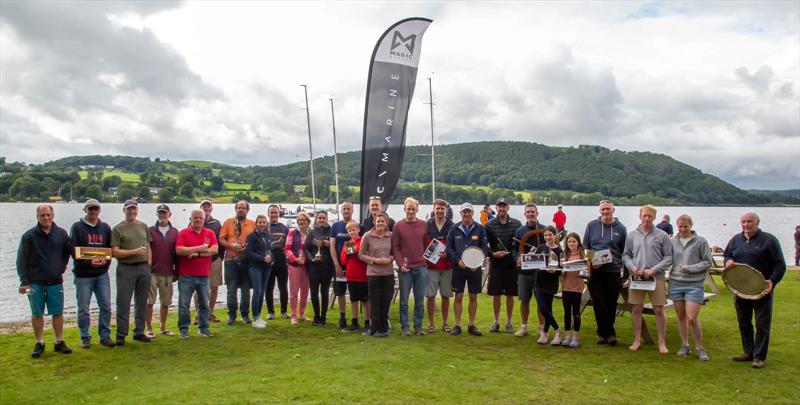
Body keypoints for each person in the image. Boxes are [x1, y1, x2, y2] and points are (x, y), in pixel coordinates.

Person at [724, 212, 786, 369]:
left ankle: (759, 357)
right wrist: (728, 261)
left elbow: (780, 264)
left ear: (757, 222)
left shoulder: (769, 240)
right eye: (743, 222)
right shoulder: (736, 240)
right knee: (743, 322)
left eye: (750, 221)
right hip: (741, 288)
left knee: (762, 324)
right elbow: (727, 255)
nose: (746, 224)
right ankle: (749, 352)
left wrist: (772, 281)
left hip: (762, 289)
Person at [17, 204, 73, 358]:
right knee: (37, 313)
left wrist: (61, 268)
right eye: (42, 215)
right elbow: (21, 260)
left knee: (58, 312)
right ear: (37, 217)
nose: (46, 218)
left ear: (53, 215)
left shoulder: (61, 234)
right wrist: (24, 281)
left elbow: (66, 253)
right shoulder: (29, 236)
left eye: (48, 214)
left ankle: (59, 341)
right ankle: (39, 342)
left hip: (55, 281)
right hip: (35, 282)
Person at [623, 204, 673, 353]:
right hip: (637, 278)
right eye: (644, 215)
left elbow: (669, 257)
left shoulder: (662, 235)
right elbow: (626, 255)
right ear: (640, 216)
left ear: (654, 217)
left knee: (658, 309)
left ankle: (662, 343)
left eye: (649, 216)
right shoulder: (632, 235)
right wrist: (632, 267)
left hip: (656, 277)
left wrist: (653, 270)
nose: (646, 218)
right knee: (636, 308)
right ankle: (637, 340)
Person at [69, 199, 115, 348]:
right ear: (85, 210)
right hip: (83, 275)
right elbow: (74, 251)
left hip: (102, 275)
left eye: (96, 209)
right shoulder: (77, 227)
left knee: (106, 307)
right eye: (90, 209)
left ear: (99, 210)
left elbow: (109, 251)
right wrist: (89, 262)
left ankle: (105, 335)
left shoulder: (105, 228)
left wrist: (105, 263)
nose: (93, 211)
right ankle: (85, 337)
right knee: (83, 309)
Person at [583, 200, 627, 346]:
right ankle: (608, 332)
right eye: (603, 209)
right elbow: (586, 246)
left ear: (613, 210)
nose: (605, 212)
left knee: (611, 303)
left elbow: (623, 251)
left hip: (613, 271)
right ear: (599, 211)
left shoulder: (621, 228)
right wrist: (591, 260)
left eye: (608, 209)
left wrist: (624, 271)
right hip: (595, 271)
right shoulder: (592, 225)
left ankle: (604, 334)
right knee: (598, 303)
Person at [669, 214, 712, 361]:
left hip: (694, 284)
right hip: (675, 283)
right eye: (680, 226)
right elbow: (667, 258)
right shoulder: (672, 241)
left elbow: (707, 262)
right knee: (681, 316)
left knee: (692, 318)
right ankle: (685, 345)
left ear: (691, 226)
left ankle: (699, 347)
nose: (682, 229)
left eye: (685, 226)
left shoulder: (700, 241)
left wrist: (690, 268)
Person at [111, 199, 153, 345]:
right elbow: (115, 252)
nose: (132, 212)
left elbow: (148, 246)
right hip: (126, 268)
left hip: (143, 267)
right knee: (123, 302)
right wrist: (133, 252)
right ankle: (121, 335)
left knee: (141, 302)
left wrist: (149, 265)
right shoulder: (118, 229)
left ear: (137, 210)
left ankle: (139, 332)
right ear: (124, 210)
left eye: (134, 209)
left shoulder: (143, 226)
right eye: (129, 209)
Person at [175, 209, 218, 338]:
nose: (198, 220)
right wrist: (198, 248)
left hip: (204, 275)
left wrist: (196, 254)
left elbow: (214, 250)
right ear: (190, 219)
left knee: (204, 304)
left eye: (200, 218)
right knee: (184, 304)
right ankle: (183, 329)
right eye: (195, 217)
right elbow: (179, 250)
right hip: (186, 275)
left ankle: (203, 328)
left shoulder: (209, 233)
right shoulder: (183, 233)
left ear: (204, 219)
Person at [446, 203, 488, 337]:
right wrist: (457, 260)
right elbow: (449, 247)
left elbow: (484, 247)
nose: (466, 214)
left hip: (475, 268)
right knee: (458, 296)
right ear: (460, 213)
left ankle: (471, 324)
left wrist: (479, 261)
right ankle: (457, 325)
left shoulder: (480, 228)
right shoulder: (454, 228)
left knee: (473, 296)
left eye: (469, 211)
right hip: (459, 267)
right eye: (464, 212)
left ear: (472, 213)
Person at [391, 197, 430, 336]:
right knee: (404, 301)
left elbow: (427, 245)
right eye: (409, 209)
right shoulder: (398, 226)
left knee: (420, 300)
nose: (411, 211)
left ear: (417, 209)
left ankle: (418, 327)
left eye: (413, 209)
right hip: (405, 269)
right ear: (404, 209)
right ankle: (405, 327)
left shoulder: (424, 225)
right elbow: (395, 247)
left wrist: (426, 261)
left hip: (421, 267)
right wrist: (400, 264)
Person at [484, 197, 522, 333]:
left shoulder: (517, 224)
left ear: (508, 208)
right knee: (496, 294)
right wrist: (493, 254)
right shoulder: (489, 225)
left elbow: (519, 244)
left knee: (510, 295)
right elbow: (483, 245)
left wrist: (516, 257)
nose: (501, 208)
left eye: (504, 206)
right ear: (496, 208)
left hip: (511, 264)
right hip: (496, 264)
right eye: (499, 206)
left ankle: (509, 322)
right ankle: (496, 322)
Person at [511, 203, 546, 337]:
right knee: (524, 300)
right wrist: (517, 259)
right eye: (528, 212)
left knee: (541, 301)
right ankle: (524, 327)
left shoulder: (544, 230)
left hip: (540, 272)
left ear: (537, 213)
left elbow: (550, 247)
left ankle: (542, 328)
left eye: (533, 211)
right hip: (524, 272)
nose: (531, 214)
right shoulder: (520, 231)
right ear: (525, 214)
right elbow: (514, 248)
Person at [219, 200, 256, 325]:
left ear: (247, 210)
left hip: (246, 260)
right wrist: (231, 245)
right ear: (235, 209)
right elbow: (221, 239)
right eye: (239, 207)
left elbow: (256, 240)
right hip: (231, 260)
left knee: (246, 289)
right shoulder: (228, 222)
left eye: (243, 208)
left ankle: (245, 314)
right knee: (231, 289)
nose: (241, 209)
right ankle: (232, 315)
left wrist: (248, 247)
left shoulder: (252, 224)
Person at [145, 204, 178, 338]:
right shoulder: (150, 230)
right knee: (149, 301)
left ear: (170, 214)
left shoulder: (175, 232)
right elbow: (145, 250)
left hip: (168, 272)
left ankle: (163, 327)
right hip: (152, 271)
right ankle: (148, 328)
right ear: (157, 214)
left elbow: (177, 253)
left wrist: (176, 271)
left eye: (165, 213)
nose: (162, 215)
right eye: (160, 213)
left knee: (165, 302)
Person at [359, 213, 394, 337]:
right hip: (373, 273)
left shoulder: (391, 236)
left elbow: (395, 252)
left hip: (388, 273)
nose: (380, 223)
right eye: (378, 221)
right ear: (374, 222)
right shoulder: (367, 235)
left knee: (386, 300)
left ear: (386, 223)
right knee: (374, 301)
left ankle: (384, 326)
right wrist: (374, 260)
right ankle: (375, 329)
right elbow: (361, 254)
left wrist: (390, 259)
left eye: (382, 221)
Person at [426, 199, 454, 334]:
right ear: (433, 209)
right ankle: (431, 324)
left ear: (446, 210)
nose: (440, 211)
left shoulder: (452, 225)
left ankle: (445, 322)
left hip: (447, 266)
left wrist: (448, 253)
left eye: (442, 208)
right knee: (430, 296)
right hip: (431, 266)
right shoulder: (427, 224)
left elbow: (454, 245)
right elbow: (423, 242)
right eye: (437, 208)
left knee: (445, 295)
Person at [330, 201, 359, 329]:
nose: (346, 211)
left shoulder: (358, 226)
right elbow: (332, 246)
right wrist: (336, 264)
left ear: (352, 210)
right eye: (344, 209)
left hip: (354, 266)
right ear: (341, 211)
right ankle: (342, 318)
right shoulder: (335, 226)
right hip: (339, 265)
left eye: (348, 209)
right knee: (340, 292)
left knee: (354, 293)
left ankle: (354, 319)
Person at [339, 220, 370, 332]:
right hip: (351, 275)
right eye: (349, 231)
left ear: (358, 230)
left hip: (363, 275)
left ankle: (367, 322)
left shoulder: (363, 241)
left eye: (353, 230)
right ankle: (354, 322)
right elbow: (343, 261)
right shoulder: (347, 244)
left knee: (365, 300)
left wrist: (357, 252)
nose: (352, 232)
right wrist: (347, 254)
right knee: (353, 299)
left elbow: (367, 256)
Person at [535, 226, 564, 345]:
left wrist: (554, 271)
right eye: (546, 235)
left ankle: (545, 333)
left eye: (550, 235)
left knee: (548, 308)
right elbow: (534, 262)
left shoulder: (560, 251)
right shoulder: (540, 247)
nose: (548, 237)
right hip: (539, 282)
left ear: (555, 236)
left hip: (551, 283)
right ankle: (557, 330)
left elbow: (561, 270)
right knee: (542, 308)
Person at [306, 211, 334, 326]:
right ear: (316, 219)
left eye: (323, 218)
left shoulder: (332, 231)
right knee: (313, 292)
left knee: (324, 292)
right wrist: (312, 259)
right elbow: (306, 248)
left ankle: (323, 317)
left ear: (327, 219)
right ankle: (316, 316)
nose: (321, 220)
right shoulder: (312, 232)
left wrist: (330, 244)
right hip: (314, 267)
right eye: (319, 218)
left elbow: (337, 247)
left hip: (327, 266)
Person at [245, 215, 273, 329]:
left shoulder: (268, 236)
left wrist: (272, 260)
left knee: (262, 292)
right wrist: (262, 258)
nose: (262, 224)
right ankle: (255, 318)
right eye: (260, 222)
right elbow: (248, 252)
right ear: (256, 223)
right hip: (255, 267)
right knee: (257, 291)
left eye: (264, 222)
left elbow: (270, 250)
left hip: (266, 267)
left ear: (266, 224)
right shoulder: (251, 236)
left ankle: (259, 315)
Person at [285, 212, 311, 325]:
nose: (301, 222)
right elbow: (287, 248)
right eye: (300, 220)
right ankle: (294, 315)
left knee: (305, 291)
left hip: (307, 266)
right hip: (295, 265)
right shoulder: (292, 232)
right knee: (294, 292)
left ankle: (302, 314)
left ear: (308, 221)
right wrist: (295, 259)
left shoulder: (311, 233)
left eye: (304, 220)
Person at [200, 200, 223, 323]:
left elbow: (221, 241)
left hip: (214, 259)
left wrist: (220, 257)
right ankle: (199, 314)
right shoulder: (195, 221)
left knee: (214, 287)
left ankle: (209, 313)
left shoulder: (217, 224)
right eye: (204, 207)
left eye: (208, 207)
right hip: (199, 260)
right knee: (199, 287)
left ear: (211, 209)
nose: (206, 209)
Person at [265, 205, 290, 320]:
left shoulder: (284, 228)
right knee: (269, 287)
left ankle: (284, 311)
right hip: (268, 259)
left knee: (283, 286)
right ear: (268, 214)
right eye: (272, 213)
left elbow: (289, 244)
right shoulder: (264, 227)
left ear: (279, 214)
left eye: (276, 212)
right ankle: (270, 312)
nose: (274, 215)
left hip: (281, 259)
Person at [561, 232, 585, 348]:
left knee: (576, 313)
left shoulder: (583, 255)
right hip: (565, 288)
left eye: (574, 241)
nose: (571, 244)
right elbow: (560, 272)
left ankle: (575, 337)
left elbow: (587, 270)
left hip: (577, 288)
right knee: (566, 312)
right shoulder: (564, 255)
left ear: (578, 242)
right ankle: (567, 336)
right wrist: (560, 266)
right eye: (569, 241)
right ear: (566, 243)